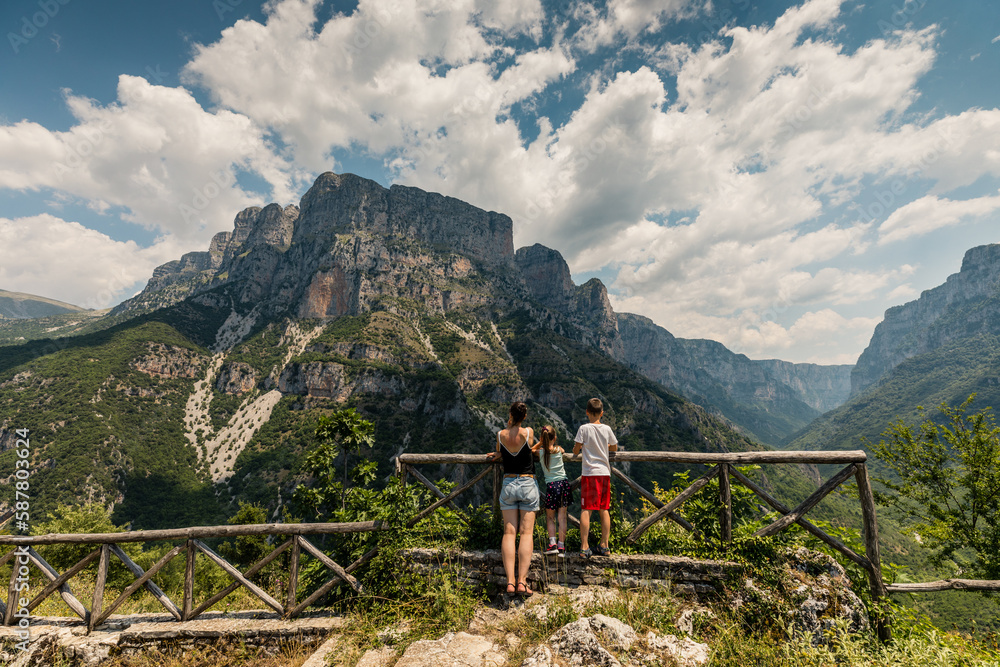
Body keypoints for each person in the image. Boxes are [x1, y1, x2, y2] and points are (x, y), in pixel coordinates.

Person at [488, 401, 539, 597]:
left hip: (509, 484)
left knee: (509, 533)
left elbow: (501, 451)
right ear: (524, 416)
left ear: (510, 414)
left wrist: (499, 451)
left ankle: (509, 582)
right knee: (526, 534)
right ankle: (522, 582)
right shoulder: (528, 432)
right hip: (527, 484)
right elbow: (530, 448)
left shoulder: (500, 435)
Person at [573, 398, 618, 557]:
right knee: (604, 509)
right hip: (604, 473)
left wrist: (582, 447)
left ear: (587, 412)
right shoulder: (607, 429)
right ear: (602, 413)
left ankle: (584, 546)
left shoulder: (583, 429)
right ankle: (604, 545)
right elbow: (614, 447)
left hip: (589, 474)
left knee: (587, 509)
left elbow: (576, 450)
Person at [537, 425, 570, 556]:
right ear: (555, 438)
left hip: (551, 487)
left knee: (550, 517)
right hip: (564, 485)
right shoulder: (558, 450)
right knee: (562, 518)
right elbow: (562, 449)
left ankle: (552, 544)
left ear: (541, 438)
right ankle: (562, 547)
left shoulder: (540, 453)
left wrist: (540, 443)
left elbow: (530, 449)